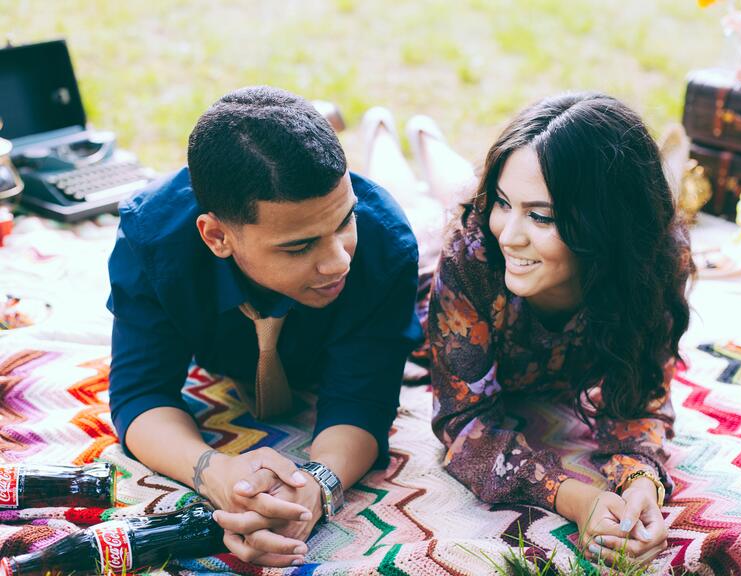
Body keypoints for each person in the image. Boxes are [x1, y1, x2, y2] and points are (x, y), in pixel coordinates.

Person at [362, 93, 693, 567]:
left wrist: (642, 483)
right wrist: (578, 499)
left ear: (607, 224)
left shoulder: (655, 262)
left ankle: (426, 135)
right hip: (426, 283)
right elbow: (463, 425)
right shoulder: (473, 254)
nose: (510, 233)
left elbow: (641, 398)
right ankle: (383, 128)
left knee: (459, 190)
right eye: (502, 203)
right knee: (412, 211)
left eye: (541, 216)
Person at [106, 86, 421, 567]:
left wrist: (314, 486)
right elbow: (140, 395)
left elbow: (362, 401)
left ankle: (390, 132)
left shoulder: (384, 243)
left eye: (344, 221)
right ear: (216, 236)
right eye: (299, 247)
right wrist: (215, 474)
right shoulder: (152, 240)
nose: (338, 261)